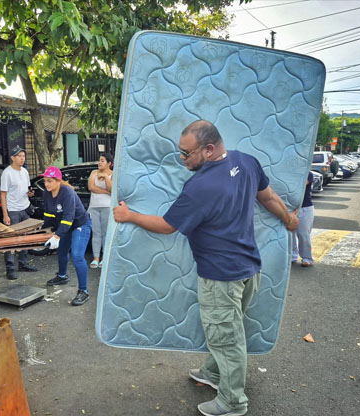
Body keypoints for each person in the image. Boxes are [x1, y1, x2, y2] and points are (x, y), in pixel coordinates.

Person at [112, 120, 298, 416]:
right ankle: (212, 374)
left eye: (186, 154)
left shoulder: (201, 186)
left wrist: (129, 215)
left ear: (209, 149)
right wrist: (289, 219)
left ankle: (233, 401)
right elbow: (269, 198)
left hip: (221, 277)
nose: (182, 159)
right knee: (228, 330)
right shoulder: (247, 162)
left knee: (227, 339)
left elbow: (167, 226)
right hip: (251, 270)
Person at [40, 166, 92, 306]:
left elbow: (69, 217)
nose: (46, 184)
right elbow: (49, 213)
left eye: (49, 181)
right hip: (65, 226)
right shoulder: (47, 193)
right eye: (45, 181)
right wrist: (44, 229)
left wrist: (57, 235)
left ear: (58, 181)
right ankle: (62, 276)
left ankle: (84, 291)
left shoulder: (67, 193)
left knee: (77, 255)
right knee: (61, 252)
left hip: (80, 224)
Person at [0, 145, 38, 280]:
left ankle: (23, 263)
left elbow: (26, 189)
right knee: (11, 240)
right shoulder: (7, 173)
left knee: (25, 238)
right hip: (13, 211)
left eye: (23, 156)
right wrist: (5, 214)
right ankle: (9, 268)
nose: (22, 158)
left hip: (25, 208)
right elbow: (3, 195)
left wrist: (30, 193)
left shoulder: (25, 172)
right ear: (12, 158)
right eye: (19, 156)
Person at [86, 153, 114, 268]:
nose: (99, 162)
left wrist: (106, 177)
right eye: (99, 160)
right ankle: (96, 257)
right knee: (96, 232)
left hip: (107, 206)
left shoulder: (113, 174)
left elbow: (112, 189)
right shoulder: (94, 173)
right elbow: (91, 187)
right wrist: (106, 192)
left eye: (102, 160)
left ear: (109, 163)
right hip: (94, 206)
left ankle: (105, 257)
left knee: (106, 233)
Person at [291, 171, 314, 267]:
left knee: (303, 234)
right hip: (290, 208)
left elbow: (299, 186)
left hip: (305, 208)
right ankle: (292, 256)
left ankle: (307, 258)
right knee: (290, 234)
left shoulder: (308, 173)